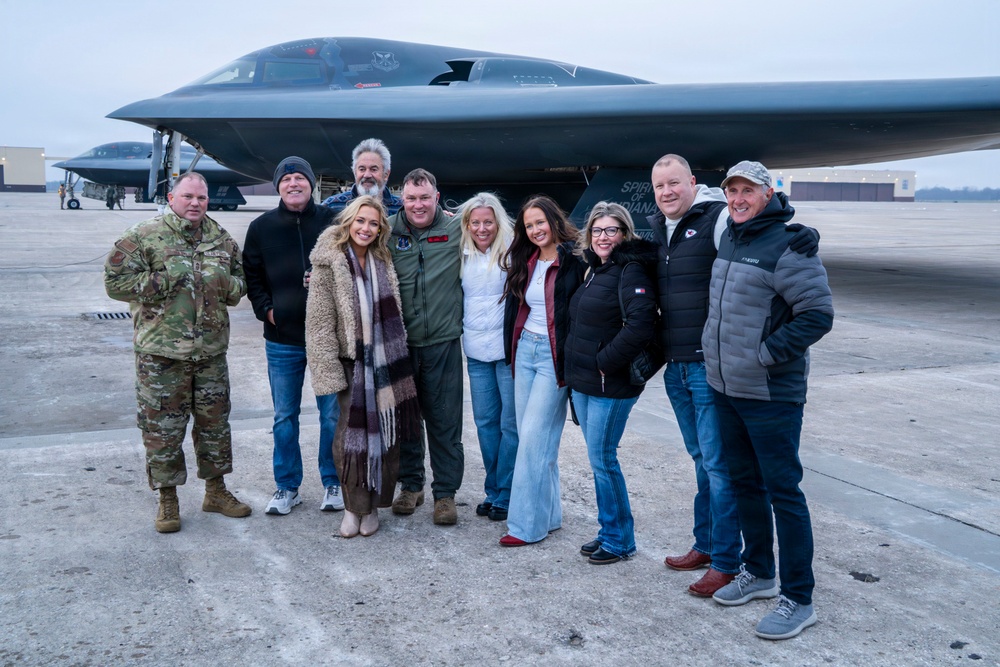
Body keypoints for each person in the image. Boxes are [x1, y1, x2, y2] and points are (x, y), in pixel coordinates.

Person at [648, 154, 819, 597]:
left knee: (751, 480)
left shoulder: (722, 223)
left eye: (674, 183)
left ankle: (755, 575)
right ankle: (728, 556)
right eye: (658, 185)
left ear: (692, 183)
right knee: (722, 472)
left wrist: (764, 354)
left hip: (742, 378)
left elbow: (814, 310)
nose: (666, 192)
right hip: (698, 374)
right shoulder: (679, 233)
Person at [703, 160, 833, 640]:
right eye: (732, 190)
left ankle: (798, 599)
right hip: (725, 388)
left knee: (784, 493)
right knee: (744, 485)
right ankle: (758, 572)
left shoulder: (789, 244)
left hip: (769, 392)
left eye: (747, 191)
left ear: (767, 192)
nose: (738, 199)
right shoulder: (733, 236)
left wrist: (766, 354)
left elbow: (817, 314)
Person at [103, 172, 250, 533]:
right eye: (188, 197)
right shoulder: (144, 236)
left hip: (210, 352)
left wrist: (225, 283)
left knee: (215, 425)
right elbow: (114, 282)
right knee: (162, 429)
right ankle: (167, 498)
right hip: (162, 354)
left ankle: (216, 491)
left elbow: (240, 285)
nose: (196, 203)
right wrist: (163, 281)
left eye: (201, 197)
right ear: (172, 198)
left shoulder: (221, 239)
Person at [305, 196, 421, 538]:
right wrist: (325, 367)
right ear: (349, 222)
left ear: (380, 228)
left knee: (385, 435)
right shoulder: (329, 262)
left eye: (373, 223)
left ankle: (372, 507)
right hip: (349, 362)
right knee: (349, 437)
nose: (366, 228)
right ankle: (352, 507)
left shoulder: (383, 260)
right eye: (360, 221)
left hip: (385, 361)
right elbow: (320, 320)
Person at [244, 156, 344, 516]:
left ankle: (333, 481)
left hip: (325, 338)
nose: (294, 184)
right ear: (278, 187)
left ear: (311, 184)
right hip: (282, 338)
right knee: (284, 415)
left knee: (331, 415)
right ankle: (287, 487)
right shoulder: (261, 228)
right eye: (286, 180)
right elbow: (252, 277)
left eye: (300, 177)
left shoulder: (332, 223)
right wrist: (267, 311)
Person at [564, 202, 658, 564]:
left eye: (612, 230)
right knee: (598, 459)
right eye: (598, 230)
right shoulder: (595, 270)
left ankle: (620, 541)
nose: (603, 237)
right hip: (586, 383)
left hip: (610, 384)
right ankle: (609, 531)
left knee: (604, 460)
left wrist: (605, 362)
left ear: (624, 233)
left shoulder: (629, 270)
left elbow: (641, 325)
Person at [498, 195, 586, 546]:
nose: (535, 230)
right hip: (525, 354)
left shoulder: (575, 259)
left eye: (540, 222)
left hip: (553, 357)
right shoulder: (527, 259)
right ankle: (549, 516)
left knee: (533, 440)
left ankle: (524, 526)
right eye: (529, 225)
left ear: (554, 220)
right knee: (538, 440)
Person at [388, 169, 465, 525]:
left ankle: (445, 494)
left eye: (425, 197)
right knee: (405, 421)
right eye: (411, 198)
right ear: (401, 199)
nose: (418, 205)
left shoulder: (456, 230)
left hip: (443, 343)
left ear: (437, 197)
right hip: (402, 344)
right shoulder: (387, 232)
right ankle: (412, 485)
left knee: (444, 420)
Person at [457, 193, 518, 522]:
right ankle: (493, 489)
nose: (482, 228)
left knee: (511, 425)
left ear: (498, 221)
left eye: (488, 221)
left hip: (507, 352)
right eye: (475, 222)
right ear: (467, 223)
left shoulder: (512, 251)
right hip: (476, 354)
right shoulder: (461, 252)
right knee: (485, 425)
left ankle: (506, 492)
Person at [321, 138, 402, 217]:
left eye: (373, 169)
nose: (367, 175)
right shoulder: (332, 206)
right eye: (362, 169)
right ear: (354, 172)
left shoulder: (401, 209)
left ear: (386, 174)